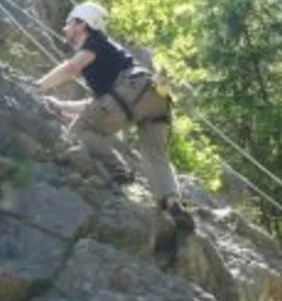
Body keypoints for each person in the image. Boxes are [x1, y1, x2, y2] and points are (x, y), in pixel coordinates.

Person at [35, 2, 196, 233]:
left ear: (82, 25)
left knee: (78, 131)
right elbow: (101, 105)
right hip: (156, 97)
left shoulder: (94, 43)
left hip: (130, 92)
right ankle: (172, 202)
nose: (64, 28)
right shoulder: (107, 56)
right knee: (155, 155)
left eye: (69, 22)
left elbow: (71, 69)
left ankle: (118, 168)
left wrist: (38, 87)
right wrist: (61, 106)